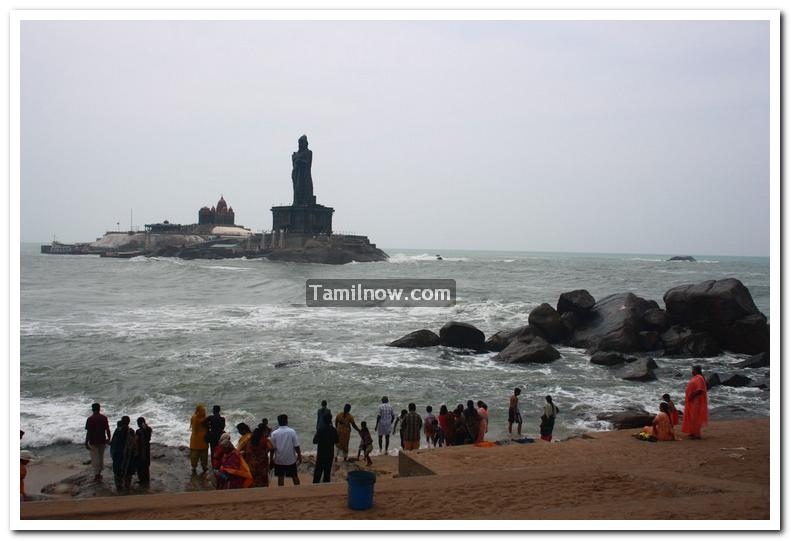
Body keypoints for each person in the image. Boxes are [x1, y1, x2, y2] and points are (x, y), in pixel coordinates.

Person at [270, 414, 302, 486]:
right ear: (287, 421)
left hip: (279, 460)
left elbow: (272, 448)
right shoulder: (291, 431)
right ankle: (298, 490)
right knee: (294, 476)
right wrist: (299, 456)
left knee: (280, 477)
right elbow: (296, 446)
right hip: (290, 459)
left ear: (278, 422)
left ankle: (282, 492)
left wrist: (271, 459)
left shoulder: (274, 433)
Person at [85, 402, 111, 482]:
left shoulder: (90, 419)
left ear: (92, 409)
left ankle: (97, 475)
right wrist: (109, 438)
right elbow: (107, 429)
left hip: (93, 440)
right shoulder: (104, 418)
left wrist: (86, 442)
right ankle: (99, 473)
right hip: (102, 440)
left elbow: (88, 432)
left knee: (95, 458)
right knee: (100, 457)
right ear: (99, 409)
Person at [110, 416, 137, 491]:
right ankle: (127, 486)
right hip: (128, 455)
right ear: (129, 422)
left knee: (118, 470)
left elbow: (113, 442)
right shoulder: (131, 431)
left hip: (119, 454)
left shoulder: (118, 430)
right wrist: (135, 453)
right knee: (128, 472)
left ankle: (119, 486)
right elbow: (134, 444)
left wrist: (113, 453)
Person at [682, 366, 709, 439]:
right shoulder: (696, 377)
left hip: (696, 401)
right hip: (692, 401)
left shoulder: (699, 378)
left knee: (695, 417)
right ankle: (692, 432)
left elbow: (700, 390)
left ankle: (697, 435)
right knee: (691, 417)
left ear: (696, 370)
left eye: (693, 370)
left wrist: (692, 396)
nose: (692, 371)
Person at [312, 412, 338, 484]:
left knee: (318, 471)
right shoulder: (334, 430)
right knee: (327, 472)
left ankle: (315, 487)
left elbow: (314, 441)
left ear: (323, 420)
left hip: (321, 453)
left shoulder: (320, 430)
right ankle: (326, 486)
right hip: (330, 453)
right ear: (330, 420)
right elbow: (337, 441)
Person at [189, 404, 209, 474]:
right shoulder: (196, 418)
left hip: (201, 439)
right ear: (198, 411)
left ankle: (203, 466)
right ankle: (194, 467)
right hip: (198, 439)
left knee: (203, 454)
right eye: (202, 410)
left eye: (204, 410)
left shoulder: (195, 417)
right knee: (195, 454)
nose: (203, 412)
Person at [135, 417, 152, 487]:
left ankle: (142, 480)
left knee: (140, 466)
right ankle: (147, 479)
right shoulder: (149, 429)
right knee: (146, 465)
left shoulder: (138, 431)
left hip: (140, 449)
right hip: (147, 448)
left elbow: (136, 441)